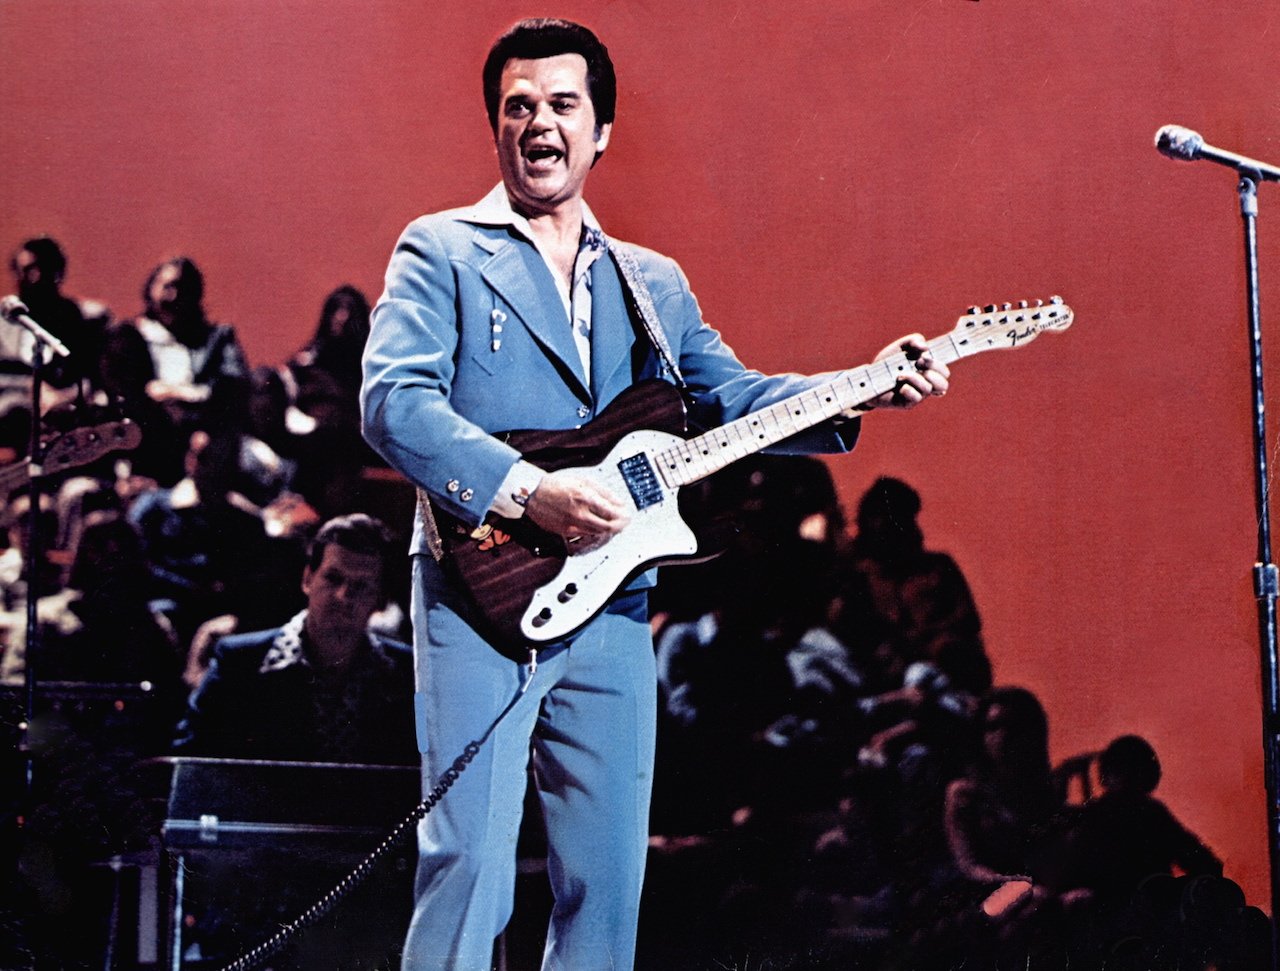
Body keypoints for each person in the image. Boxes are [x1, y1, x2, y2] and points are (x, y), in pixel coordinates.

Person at [359, 18, 950, 970]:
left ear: (601, 132)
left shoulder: (652, 283)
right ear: (496, 126)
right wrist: (529, 493)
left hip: (615, 605)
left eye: (562, 105)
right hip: (482, 594)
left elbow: (734, 399)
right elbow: (393, 402)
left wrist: (864, 384)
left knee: (608, 879)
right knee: (471, 864)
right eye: (517, 107)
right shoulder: (442, 249)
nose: (538, 124)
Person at [172, 513, 416, 764]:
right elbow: (188, 760)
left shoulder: (407, 673)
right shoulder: (240, 663)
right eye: (333, 578)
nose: (343, 596)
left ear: (380, 599)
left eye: (361, 585)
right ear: (307, 579)